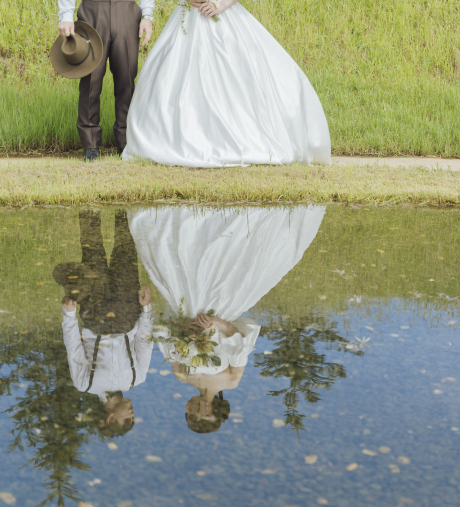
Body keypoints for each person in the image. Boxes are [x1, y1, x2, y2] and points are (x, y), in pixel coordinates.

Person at [128, 205, 327, 432]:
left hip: (190, 312)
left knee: (186, 266)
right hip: (222, 313)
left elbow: (169, 339)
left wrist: (187, 326)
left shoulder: (182, 377)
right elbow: (240, 342)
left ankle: (192, 225)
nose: (186, 409)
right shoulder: (231, 381)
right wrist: (217, 323)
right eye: (189, 414)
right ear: (206, 413)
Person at [121, 1, 331, 167]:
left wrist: (218, 4)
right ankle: (176, 139)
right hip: (187, 18)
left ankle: (235, 140)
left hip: (225, 17)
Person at [55, 210, 154, 436]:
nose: (132, 412)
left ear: (110, 419)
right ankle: (122, 207)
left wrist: (68, 314)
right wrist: (146, 309)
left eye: (128, 417)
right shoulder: (137, 378)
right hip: (128, 313)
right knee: (126, 252)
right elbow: (144, 341)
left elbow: (73, 348)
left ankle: (89, 205)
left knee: (92, 254)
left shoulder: (86, 385)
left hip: (95, 316)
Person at [57, 0, 155, 162]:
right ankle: (90, 143)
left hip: (127, 12)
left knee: (127, 78)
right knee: (90, 80)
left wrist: (147, 15)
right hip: (92, 11)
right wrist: (66, 16)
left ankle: (126, 140)